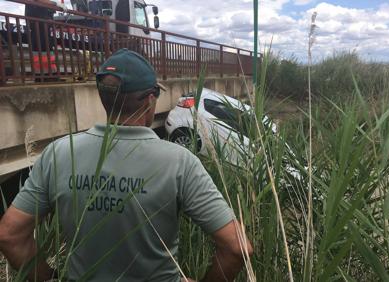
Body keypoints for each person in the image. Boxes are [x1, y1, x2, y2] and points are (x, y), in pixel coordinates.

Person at [0, 48, 252, 281]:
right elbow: (237, 247)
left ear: (103, 99)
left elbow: (10, 235)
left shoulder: (58, 154)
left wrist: (51, 278)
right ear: (150, 100)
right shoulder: (179, 162)